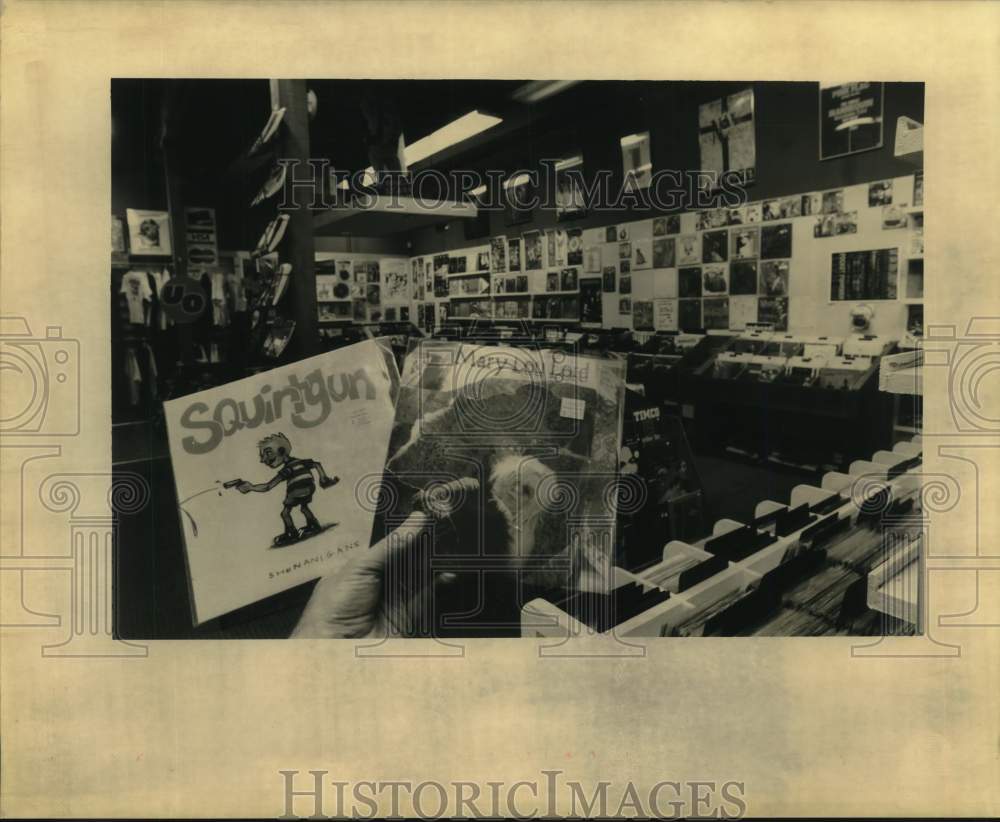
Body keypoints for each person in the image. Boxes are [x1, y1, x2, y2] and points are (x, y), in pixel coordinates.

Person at [237, 432, 339, 546]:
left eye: (267, 453)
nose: (263, 460)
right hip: (309, 488)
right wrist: (323, 479)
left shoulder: (287, 469)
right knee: (304, 507)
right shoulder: (301, 462)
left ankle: (291, 533)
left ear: (281, 451)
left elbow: (268, 486)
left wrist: (251, 487)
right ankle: (314, 525)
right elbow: (317, 465)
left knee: (285, 513)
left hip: (296, 492)